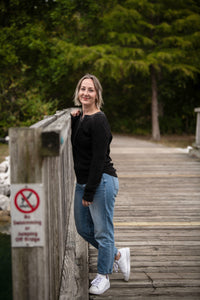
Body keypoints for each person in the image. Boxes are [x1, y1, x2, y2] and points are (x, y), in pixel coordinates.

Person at [71, 74, 130, 295]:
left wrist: (90, 190)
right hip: (84, 181)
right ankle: (117, 254)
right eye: (82, 89)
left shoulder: (99, 121)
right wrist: (73, 117)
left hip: (101, 181)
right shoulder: (81, 118)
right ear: (78, 92)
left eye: (90, 90)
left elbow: (98, 159)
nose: (85, 93)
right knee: (83, 229)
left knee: (103, 232)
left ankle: (103, 276)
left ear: (97, 94)